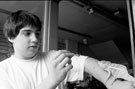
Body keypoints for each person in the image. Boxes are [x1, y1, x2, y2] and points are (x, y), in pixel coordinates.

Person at [0, 10, 135, 89]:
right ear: (11, 37)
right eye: (27, 33)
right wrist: (51, 80)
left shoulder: (52, 57)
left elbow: (84, 62)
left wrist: (112, 82)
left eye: (37, 34)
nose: (35, 39)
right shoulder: (3, 71)